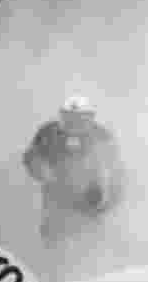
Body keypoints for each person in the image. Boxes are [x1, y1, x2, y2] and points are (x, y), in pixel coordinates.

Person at [23, 95, 125, 241]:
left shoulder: (101, 137)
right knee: (55, 240)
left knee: (89, 244)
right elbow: (31, 156)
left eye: (80, 119)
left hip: (91, 204)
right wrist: (41, 171)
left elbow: (116, 172)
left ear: (90, 117)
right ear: (61, 116)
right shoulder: (49, 133)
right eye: (69, 118)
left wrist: (105, 201)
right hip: (56, 203)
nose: (74, 124)